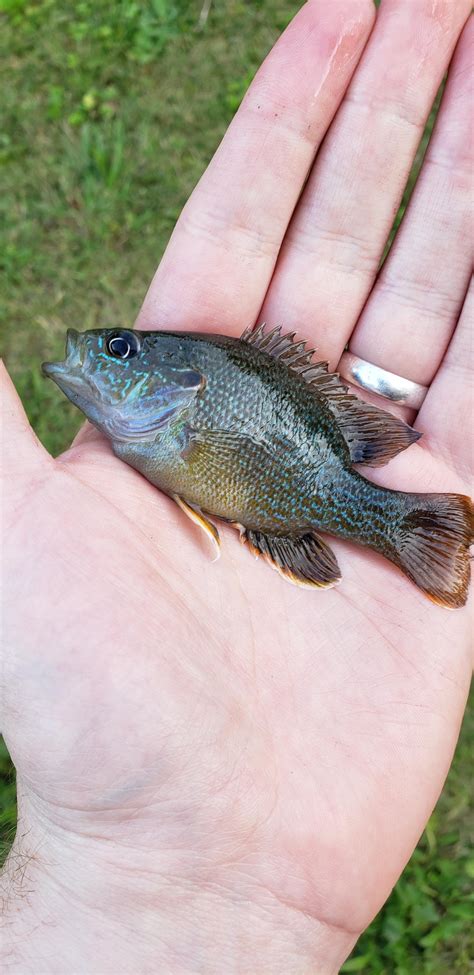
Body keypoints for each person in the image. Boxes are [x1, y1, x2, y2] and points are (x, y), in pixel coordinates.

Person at [1, 0, 472, 971]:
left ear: (165, 378)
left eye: (120, 350)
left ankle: (410, 531)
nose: (98, 354)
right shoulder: (159, 425)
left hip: (321, 486)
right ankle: (411, 533)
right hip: (299, 493)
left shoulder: (173, 419)